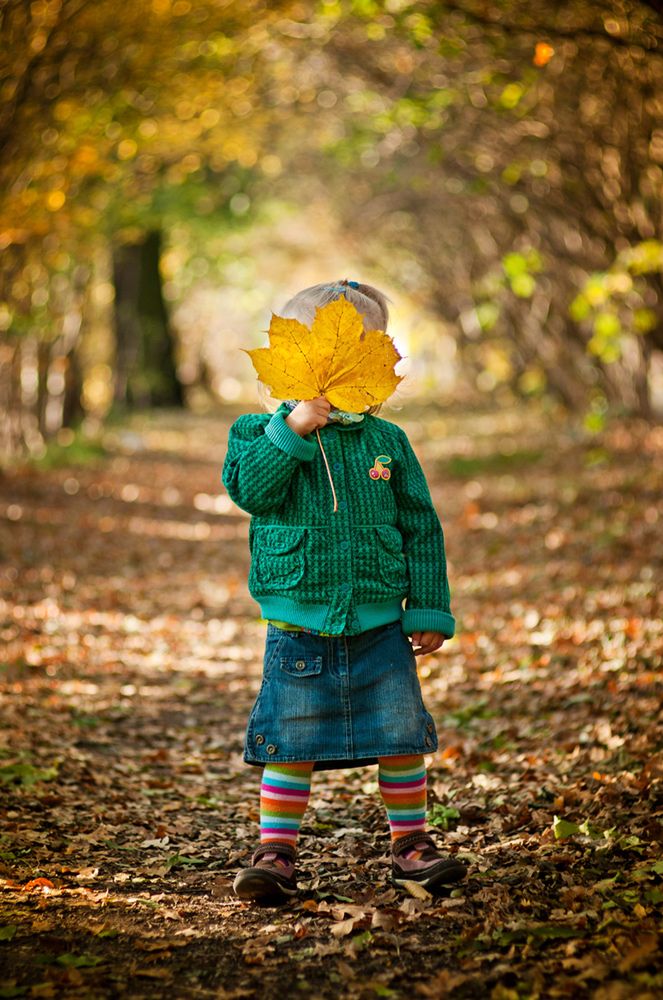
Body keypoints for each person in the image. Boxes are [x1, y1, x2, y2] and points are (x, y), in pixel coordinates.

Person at [222, 279, 466, 903]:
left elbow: (420, 525)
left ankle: (411, 845)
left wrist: (429, 604)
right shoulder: (257, 431)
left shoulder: (387, 442)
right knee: (292, 739)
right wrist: (294, 432)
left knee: (401, 734)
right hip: (299, 619)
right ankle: (276, 852)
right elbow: (252, 491)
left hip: (380, 620)